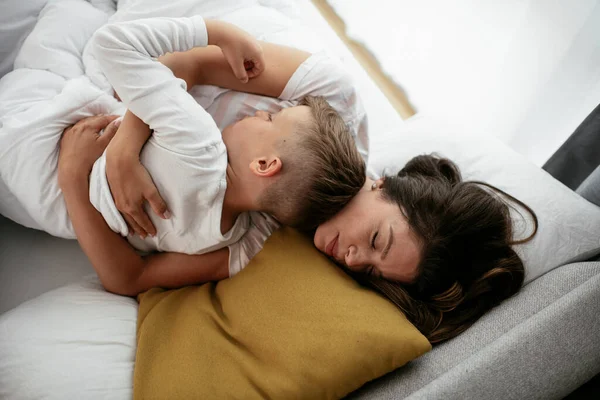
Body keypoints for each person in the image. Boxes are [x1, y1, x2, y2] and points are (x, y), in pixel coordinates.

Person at [60, 17, 537, 344]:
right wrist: (126, 145)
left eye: (369, 272)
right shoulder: (333, 104)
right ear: (383, 184)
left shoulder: (267, 237)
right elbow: (190, 61)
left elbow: (134, 277)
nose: (352, 260)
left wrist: (72, 177)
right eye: (376, 239)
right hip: (164, 72)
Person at [69, 15, 365, 285]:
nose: (262, 113)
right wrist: (72, 182)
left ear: (264, 164)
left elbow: (111, 43)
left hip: (65, 143)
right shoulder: (234, 242)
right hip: (65, 216)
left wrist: (215, 31)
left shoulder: (199, 142)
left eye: (272, 118)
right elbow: (125, 280)